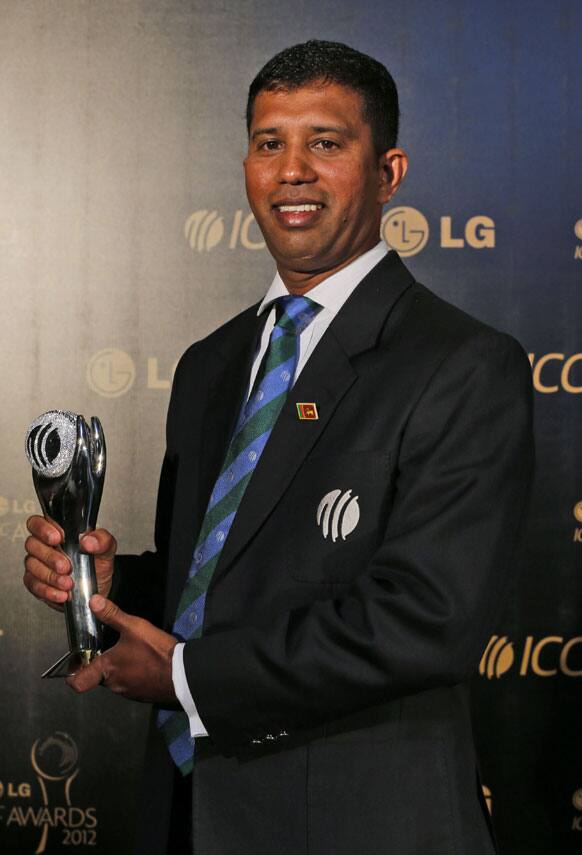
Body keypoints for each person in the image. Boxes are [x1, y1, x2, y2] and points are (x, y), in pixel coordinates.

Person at [23, 40, 534, 855]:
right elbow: (218, 577)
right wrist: (115, 583)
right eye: (270, 143)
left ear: (389, 172)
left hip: (362, 825)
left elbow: (423, 620)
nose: (291, 169)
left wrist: (187, 679)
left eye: (325, 143)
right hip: (190, 816)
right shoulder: (210, 364)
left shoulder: (462, 364)